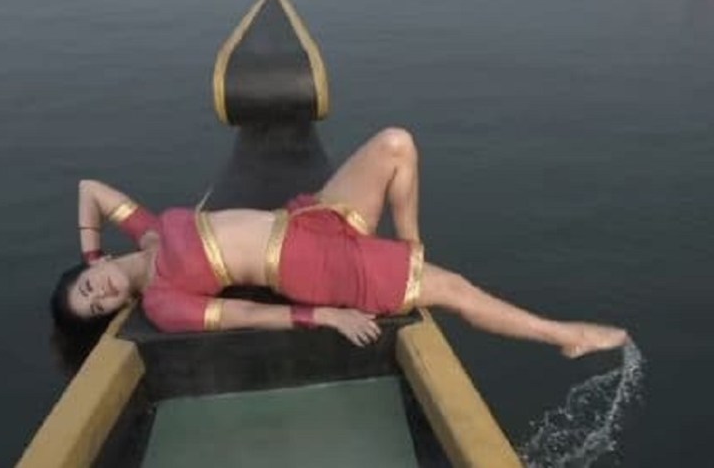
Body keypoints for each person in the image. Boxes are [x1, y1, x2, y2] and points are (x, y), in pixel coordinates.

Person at [51, 127, 629, 357]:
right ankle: (564, 337)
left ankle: (411, 248)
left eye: (87, 285)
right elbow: (245, 314)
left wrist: (91, 252)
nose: (100, 293)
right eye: (97, 306)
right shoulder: (161, 300)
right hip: (312, 269)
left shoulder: (149, 232)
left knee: (397, 145)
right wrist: (322, 315)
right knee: (457, 290)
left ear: (90, 267)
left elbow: (89, 189)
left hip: (308, 218)